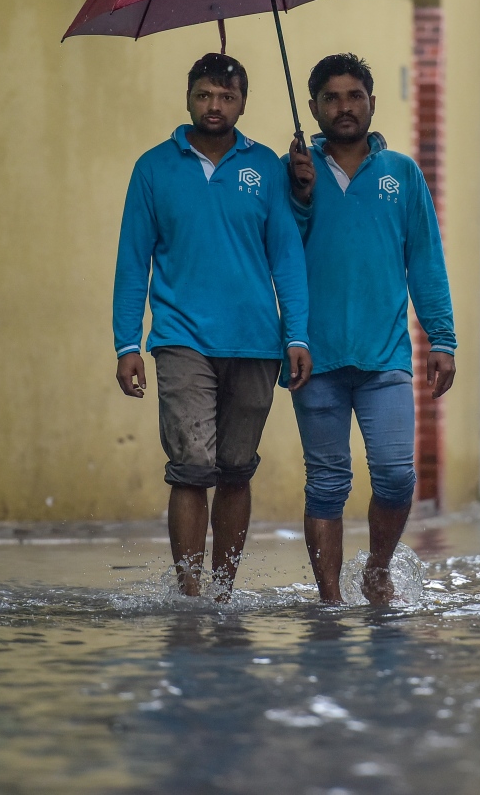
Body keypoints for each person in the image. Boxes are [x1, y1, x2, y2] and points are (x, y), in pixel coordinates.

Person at [113, 53, 313, 599]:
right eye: (204, 95)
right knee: (192, 464)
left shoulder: (268, 167)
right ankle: (190, 591)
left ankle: (223, 591)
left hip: (255, 340)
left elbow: (287, 258)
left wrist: (296, 334)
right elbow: (134, 261)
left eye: (226, 97)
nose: (214, 106)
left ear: (243, 102)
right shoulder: (154, 168)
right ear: (188, 98)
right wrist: (127, 342)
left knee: (235, 468)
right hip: (181, 338)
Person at [284, 53, 456, 605]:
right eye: (330, 98)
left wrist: (442, 338)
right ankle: (330, 599)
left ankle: (377, 568)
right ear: (312, 107)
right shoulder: (292, 172)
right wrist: (302, 197)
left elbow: (426, 261)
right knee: (327, 484)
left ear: (373, 103)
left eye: (354, 96)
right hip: (314, 356)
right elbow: (276, 249)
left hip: (385, 357)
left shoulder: (401, 174)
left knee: (396, 476)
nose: (344, 107)